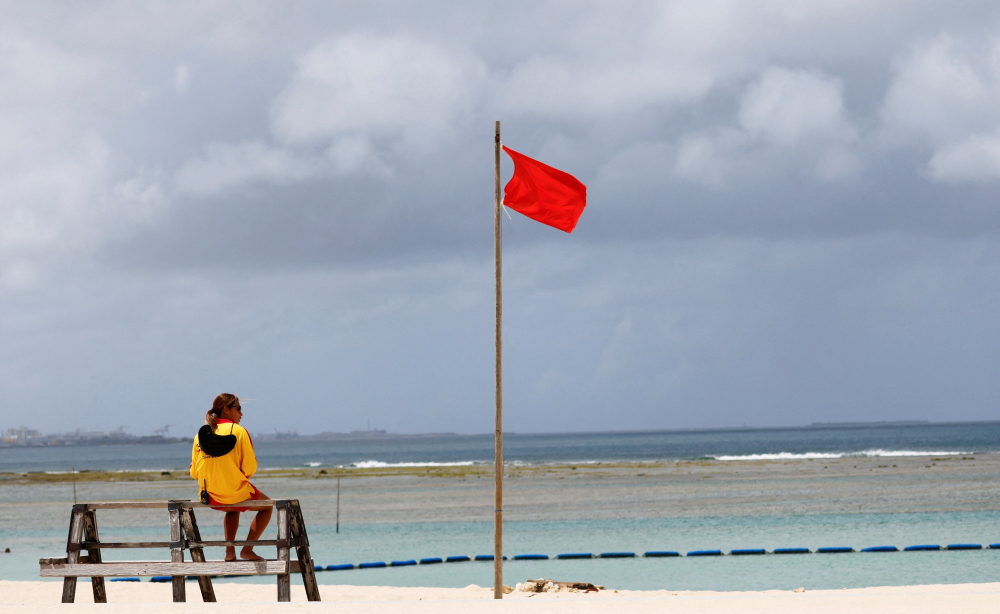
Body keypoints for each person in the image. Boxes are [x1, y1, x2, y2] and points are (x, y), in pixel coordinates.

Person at [189, 393, 272, 561]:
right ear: (226, 410)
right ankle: (247, 550)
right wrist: (238, 477)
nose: (241, 414)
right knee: (267, 507)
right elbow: (250, 467)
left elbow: (194, 472)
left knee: (232, 509)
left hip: (210, 495)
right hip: (235, 491)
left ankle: (229, 552)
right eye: (238, 409)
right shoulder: (239, 431)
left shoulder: (200, 435)